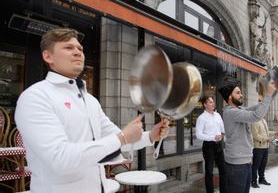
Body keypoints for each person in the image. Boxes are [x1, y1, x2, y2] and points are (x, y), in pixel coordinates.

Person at [14, 28, 169, 193]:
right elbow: (60, 159)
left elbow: (115, 138)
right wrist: (122, 138)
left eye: (80, 49)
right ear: (48, 56)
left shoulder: (90, 100)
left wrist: (151, 136)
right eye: (68, 48)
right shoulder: (35, 97)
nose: (77, 52)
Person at [218, 81, 276, 193]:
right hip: (236, 165)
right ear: (230, 97)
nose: (241, 95)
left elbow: (257, 107)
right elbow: (256, 115)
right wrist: (268, 95)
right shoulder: (230, 112)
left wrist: (271, 94)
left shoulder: (240, 109)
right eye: (238, 93)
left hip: (245, 162)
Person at [196, 96, 226, 193]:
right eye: (210, 102)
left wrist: (223, 134)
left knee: (223, 170)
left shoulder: (218, 115)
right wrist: (213, 137)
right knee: (209, 172)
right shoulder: (201, 118)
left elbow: (222, 129)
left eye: (213, 101)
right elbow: (198, 135)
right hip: (209, 146)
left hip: (219, 145)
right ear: (204, 105)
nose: (213, 103)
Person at [251, 95, 277, 188]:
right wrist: (266, 139)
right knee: (256, 165)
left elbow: (266, 132)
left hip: (265, 147)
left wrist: (274, 133)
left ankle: (262, 179)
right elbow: (256, 135)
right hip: (258, 147)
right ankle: (253, 181)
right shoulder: (254, 121)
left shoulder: (263, 120)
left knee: (263, 165)